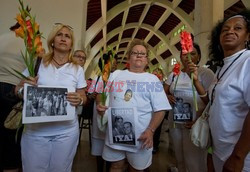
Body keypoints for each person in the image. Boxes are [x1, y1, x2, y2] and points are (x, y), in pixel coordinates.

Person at [15, 23, 87, 172]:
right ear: (52, 41)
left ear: (71, 44)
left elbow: (83, 95)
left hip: (66, 132)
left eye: (67, 36)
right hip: (36, 131)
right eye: (59, 35)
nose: (63, 38)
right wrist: (24, 90)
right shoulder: (37, 63)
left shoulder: (77, 69)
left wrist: (79, 99)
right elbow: (17, 89)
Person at [97, 39, 171, 172]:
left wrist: (150, 131)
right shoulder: (115, 75)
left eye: (142, 54)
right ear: (128, 57)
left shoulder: (152, 80)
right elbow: (101, 95)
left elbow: (161, 110)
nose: (138, 55)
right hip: (116, 134)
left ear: (147, 59)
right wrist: (100, 105)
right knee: (115, 167)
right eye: (134, 52)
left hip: (140, 136)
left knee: (136, 169)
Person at [208, 10, 250, 172]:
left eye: (238, 28)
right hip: (220, 151)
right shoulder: (223, 66)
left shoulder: (247, 62)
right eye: (225, 29)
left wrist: (238, 157)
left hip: (241, 158)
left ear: (248, 36)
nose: (230, 31)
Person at [165, 42, 215, 172]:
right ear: (180, 57)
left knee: (194, 161)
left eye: (192, 54)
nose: (188, 57)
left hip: (194, 123)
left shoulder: (206, 73)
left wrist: (199, 120)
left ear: (198, 57)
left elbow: (212, 101)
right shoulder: (175, 74)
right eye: (184, 54)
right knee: (179, 157)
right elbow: (163, 92)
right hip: (175, 122)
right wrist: (167, 97)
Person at [0, 28, 26, 172]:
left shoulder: (2, 36)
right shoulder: (28, 42)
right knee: (11, 132)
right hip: (12, 89)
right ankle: (11, 167)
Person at [90, 51, 118, 172]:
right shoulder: (98, 79)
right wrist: (94, 95)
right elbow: (90, 94)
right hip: (98, 114)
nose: (115, 64)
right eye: (112, 62)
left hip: (111, 114)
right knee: (99, 148)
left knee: (111, 147)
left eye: (116, 62)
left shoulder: (118, 78)